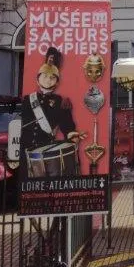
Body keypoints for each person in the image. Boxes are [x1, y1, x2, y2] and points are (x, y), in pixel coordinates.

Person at [21, 47, 86, 177]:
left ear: (56, 83)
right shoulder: (27, 100)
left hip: (46, 152)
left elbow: (67, 127)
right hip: (25, 151)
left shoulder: (60, 102)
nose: (48, 79)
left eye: (52, 77)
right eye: (44, 76)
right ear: (37, 79)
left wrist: (72, 135)